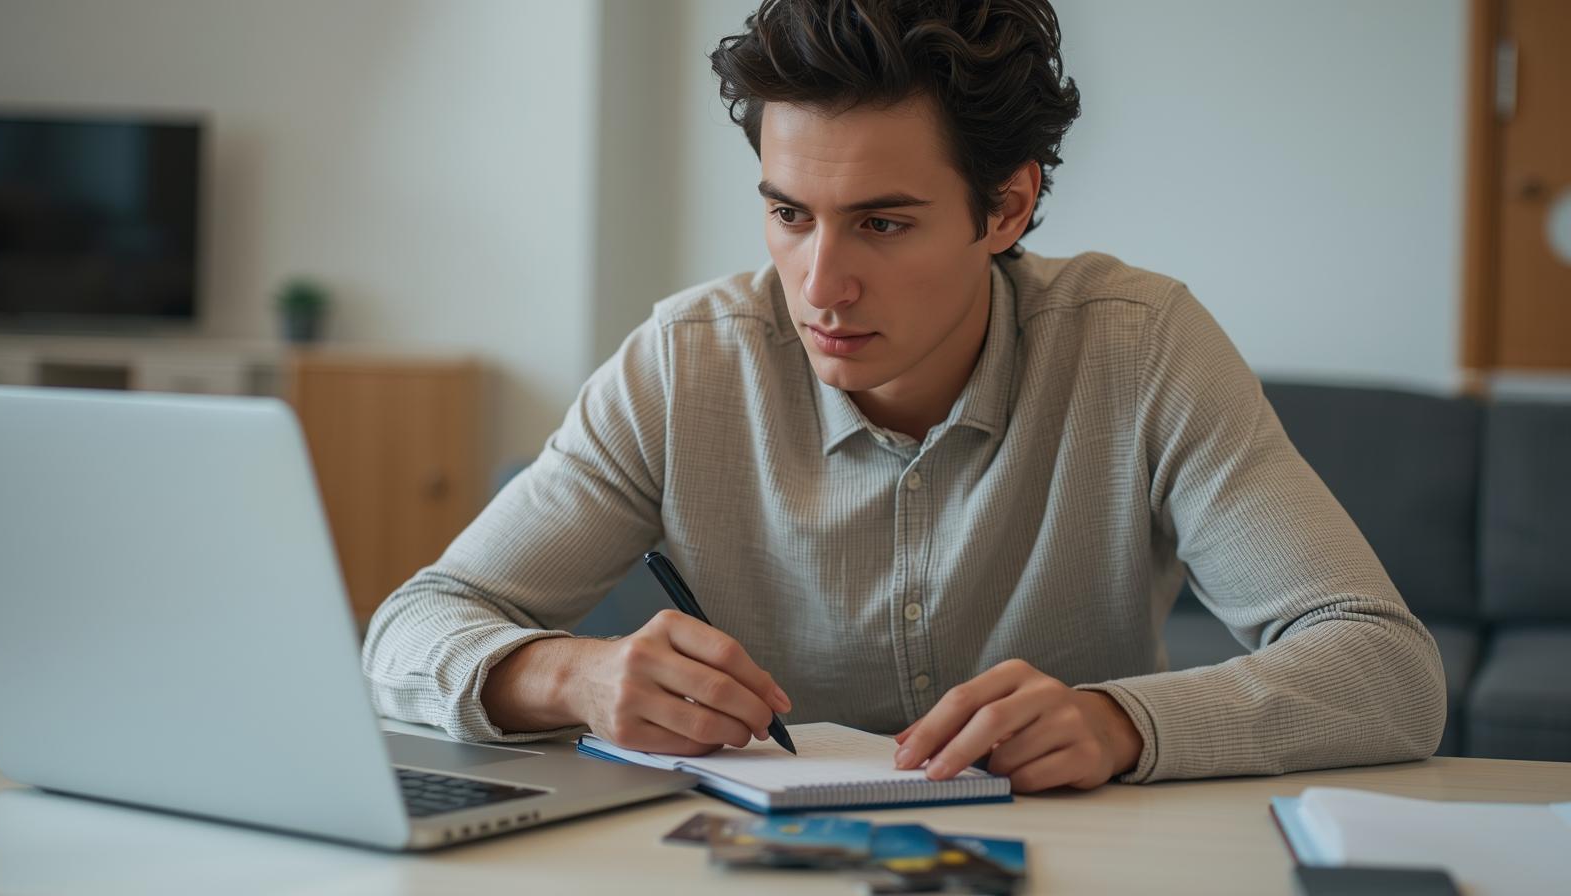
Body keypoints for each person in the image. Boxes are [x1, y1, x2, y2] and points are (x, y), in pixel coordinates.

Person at [362, 0, 1444, 792]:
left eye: (881, 223)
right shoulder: (686, 361)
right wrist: (569, 674)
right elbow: (409, 628)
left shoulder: (1140, 346)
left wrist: (1118, 721)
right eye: (789, 214)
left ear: (1007, 206)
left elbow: (1385, 667)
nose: (819, 286)